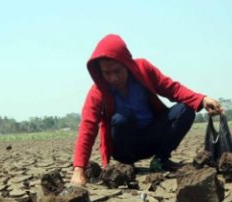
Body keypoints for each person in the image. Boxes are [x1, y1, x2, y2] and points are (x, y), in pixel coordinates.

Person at [71, 34, 223, 186]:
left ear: (127, 64)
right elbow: (87, 127)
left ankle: (160, 160)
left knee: (186, 109)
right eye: (107, 73)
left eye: (117, 71)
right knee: (122, 119)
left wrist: (201, 99)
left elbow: (172, 88)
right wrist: (79, 170)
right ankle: (127, 167)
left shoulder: (143, 70)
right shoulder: (98, 91)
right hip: (125, 148)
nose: (113, 78)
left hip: (151, 138)